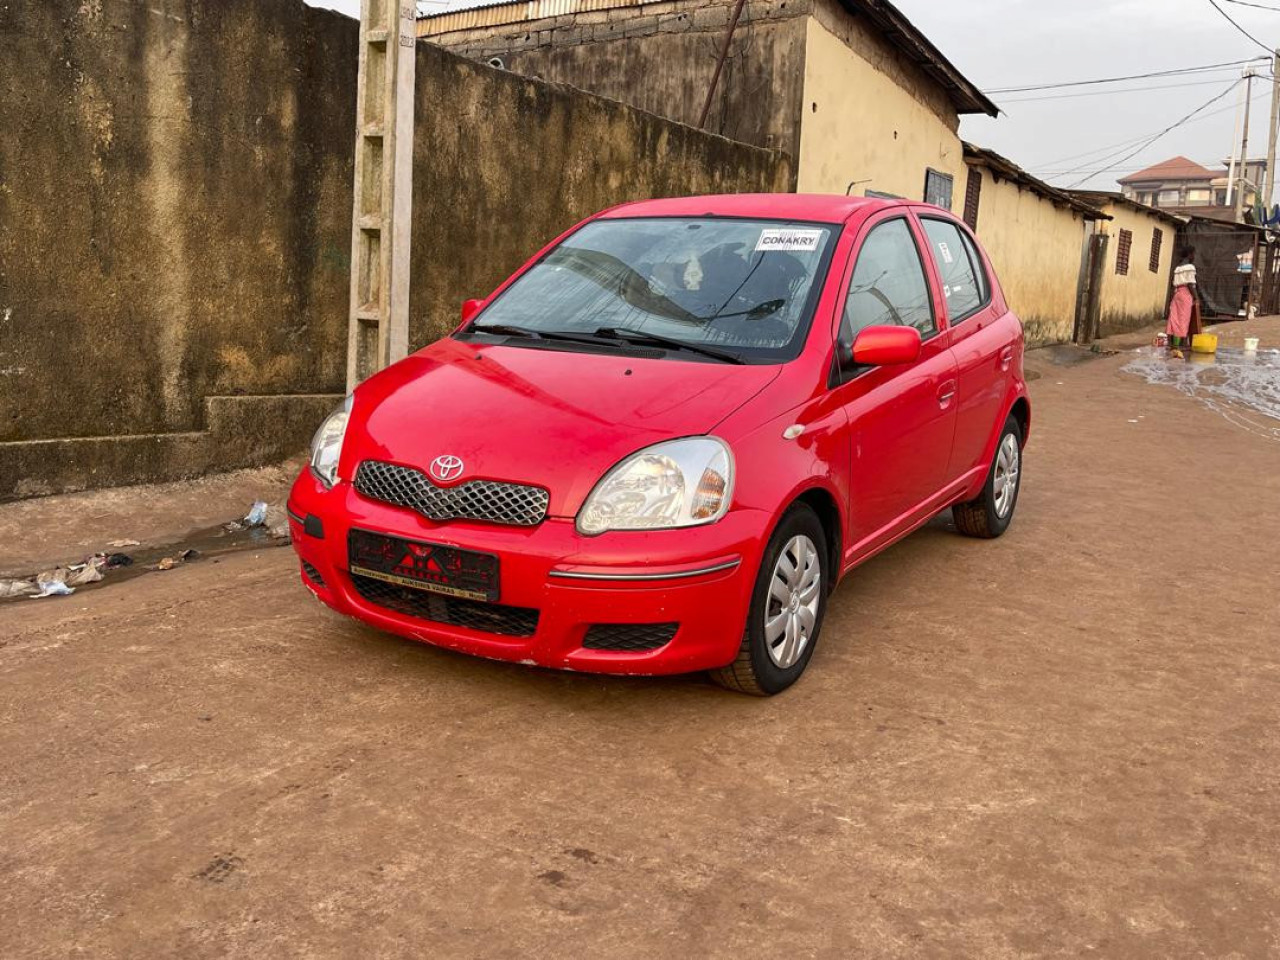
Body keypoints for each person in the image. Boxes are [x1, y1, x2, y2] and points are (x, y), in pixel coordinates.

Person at [1167, 247, 1198, 359]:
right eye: (1194, 254)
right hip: (1185, 294)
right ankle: (1183, 343)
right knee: (1184, 318)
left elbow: (1173, 284)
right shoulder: (1190, 267)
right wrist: (1196, 297)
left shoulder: (1178, 268)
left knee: (1174, 317)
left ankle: (1172, 343)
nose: (1194, 256)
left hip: (1177, 293)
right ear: (1189, 254)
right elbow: (1190, 284)